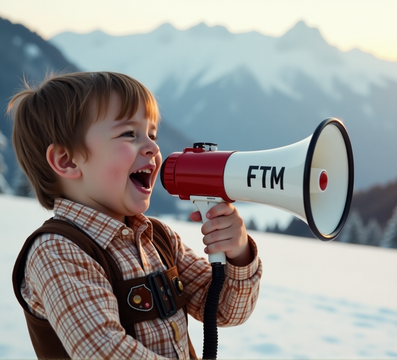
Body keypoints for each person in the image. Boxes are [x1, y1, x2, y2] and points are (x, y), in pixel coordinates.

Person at [8, 71, 262, 359]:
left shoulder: (159, 240)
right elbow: (106, 351)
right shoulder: (56, 251)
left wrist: (238, 253)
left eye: (152, 134)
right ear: (67, 160)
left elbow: (226, 310)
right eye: (129, 134)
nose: (154, 147)